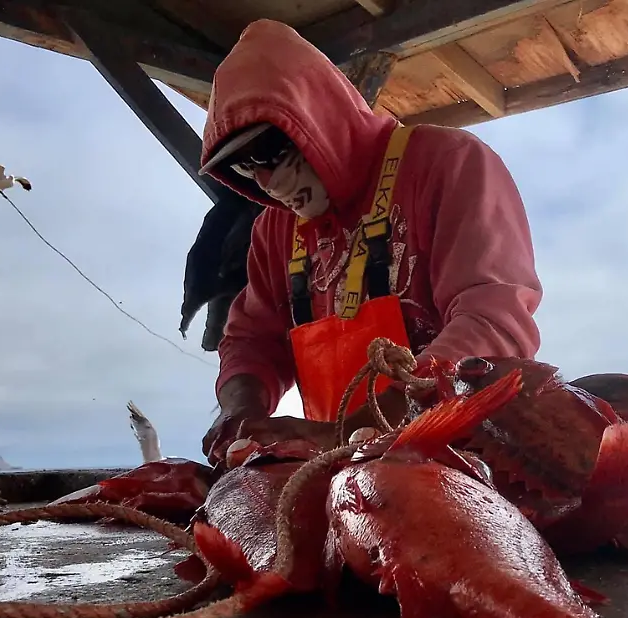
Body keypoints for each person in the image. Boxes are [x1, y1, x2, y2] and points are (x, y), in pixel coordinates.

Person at [198, 19, 543, 461]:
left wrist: (358, 428)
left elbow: (494, 320)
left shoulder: (450, 164)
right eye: (244, 166)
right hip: (339, 479)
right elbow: (251, 341)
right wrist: (240, 412)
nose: (266, 183)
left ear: (316, 117)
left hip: (474, 463)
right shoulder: (274, 230)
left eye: (269, 152)